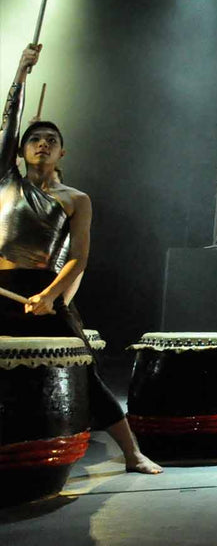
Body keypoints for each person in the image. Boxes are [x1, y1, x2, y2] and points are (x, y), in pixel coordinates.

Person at [0, 42, 162, 474]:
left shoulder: (76, 199)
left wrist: (52, 296)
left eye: (52, 140)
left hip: (46, 290)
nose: (42, 144)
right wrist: (20, 71)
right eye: (34, 138)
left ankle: (132, 453)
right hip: (4, 287)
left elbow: (79, 257)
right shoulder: (6, 181)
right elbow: (8, 120)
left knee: (84, 372)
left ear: (62, 153)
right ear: (20, 150)